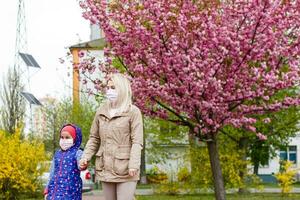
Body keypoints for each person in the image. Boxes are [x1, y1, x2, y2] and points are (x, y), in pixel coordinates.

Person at [79, 73, 143, 200]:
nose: (109, 91)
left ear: (122, 89)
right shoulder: (101, 111)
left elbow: (137, 142)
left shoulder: (133, 112)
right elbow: (94, 138)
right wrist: (85, 157)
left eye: (113, 87)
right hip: (105, 167)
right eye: (108, 88)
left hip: (126, 167)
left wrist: (134, 165)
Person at [44, 124, 83, 200]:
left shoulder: (78, 152)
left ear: (75, 139)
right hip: (54, 190)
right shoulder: (57, 154)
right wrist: (47, 189)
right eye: (62, 137)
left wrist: (83, 164)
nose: (64, 140)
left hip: (71, 191)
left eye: (67, 137)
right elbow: (52, 172)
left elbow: (81, 163)